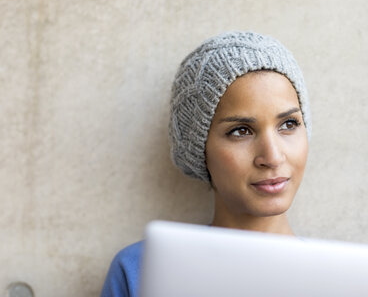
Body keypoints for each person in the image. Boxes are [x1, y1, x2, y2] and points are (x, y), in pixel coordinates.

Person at [100, 31, 311, 297]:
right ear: (198, 148)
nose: (272, 157)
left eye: (289, 124)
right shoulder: (139, 272)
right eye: (241, 131)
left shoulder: (345, 279)